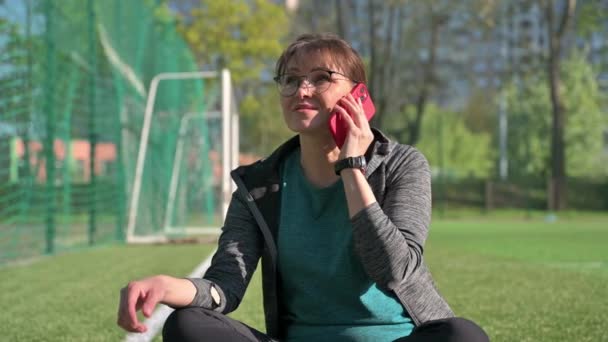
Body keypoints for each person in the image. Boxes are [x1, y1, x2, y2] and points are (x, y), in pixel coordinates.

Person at [117, 33, 489, 342]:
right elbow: (224, 287)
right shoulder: (257, 185)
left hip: (398, 339)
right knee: (188, 325)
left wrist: (351, 167)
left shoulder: (403, 165)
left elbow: (395, 269)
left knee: (463, 336)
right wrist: (168, 287)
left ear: (358, 95)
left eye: (321, 77)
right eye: (291, 80)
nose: (301, 90)